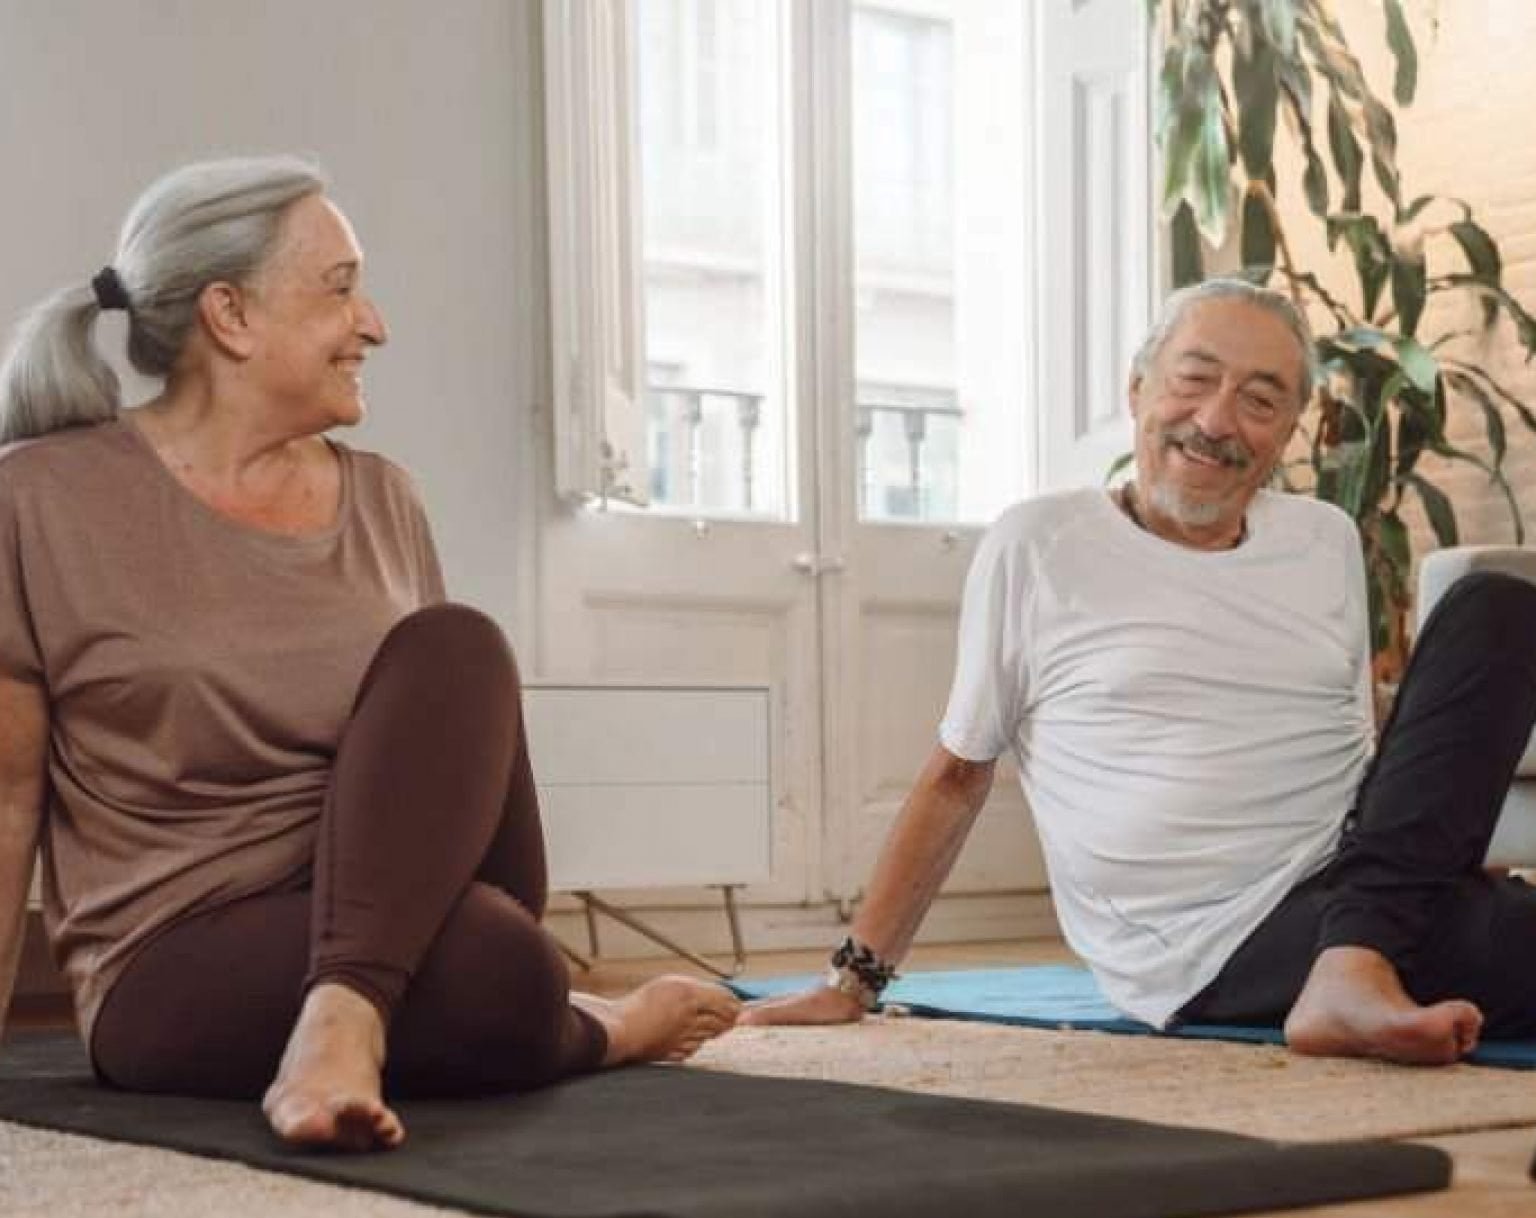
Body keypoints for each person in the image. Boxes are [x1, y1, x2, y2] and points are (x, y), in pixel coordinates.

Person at [0, 156, 738, 1152]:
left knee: (458, 646)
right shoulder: (39, 500)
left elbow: (441, 766)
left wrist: (359, 962)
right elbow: (6, 796)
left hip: (393, 903)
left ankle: (346, 1019)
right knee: (500, 973)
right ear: (231, 315)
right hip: (176, 958)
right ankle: (580, 1029)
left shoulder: (386, 498)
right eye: (340, 290)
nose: (375, 325)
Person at [745, 276, 1536, 1065]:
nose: (1216, 420)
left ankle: (1355, 964)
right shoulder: (1039, 546)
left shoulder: (1322, 539)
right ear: (1136, 390)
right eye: (1194, 381)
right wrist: (852, 982)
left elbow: (1362, 751)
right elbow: (958, 774)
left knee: (1496, 606)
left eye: (1260, 401)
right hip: (1213, 943)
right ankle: (1350, 971)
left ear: (1292, 429)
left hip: (1361, 888)